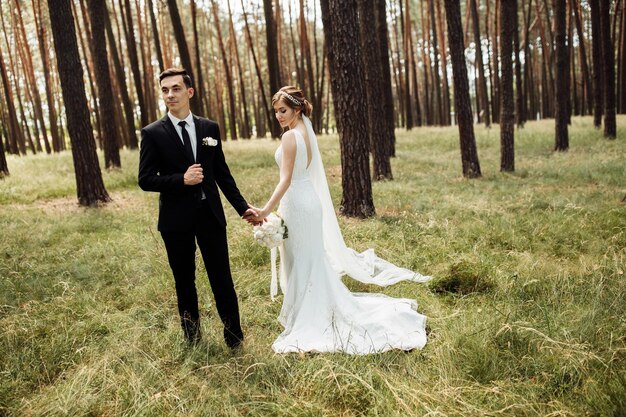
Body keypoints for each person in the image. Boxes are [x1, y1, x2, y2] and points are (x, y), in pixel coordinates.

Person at [247, 86, 431, 354]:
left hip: (297, 202)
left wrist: (264, 212)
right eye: (275, 111)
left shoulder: (290, 138)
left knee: (303, 258)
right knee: (309, 258)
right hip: (307, 201)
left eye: (283, 110)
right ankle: (311, 306)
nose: (278, 115)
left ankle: (309, 314)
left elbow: (285, 180)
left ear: (297, 109)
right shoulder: (304, 133)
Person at [138, 68, 256, 348]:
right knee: (184, 281)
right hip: (175, 221)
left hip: (209, 216)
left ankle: (234, 339)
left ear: (189, 92)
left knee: (222, 279)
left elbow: (222, 173)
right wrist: (182, 179)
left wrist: (242, 208)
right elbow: (144, 180)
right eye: (165, 90)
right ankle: (193, 340)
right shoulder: (153, 133)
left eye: (176, 88)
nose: (170, 95)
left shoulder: (209, 128)